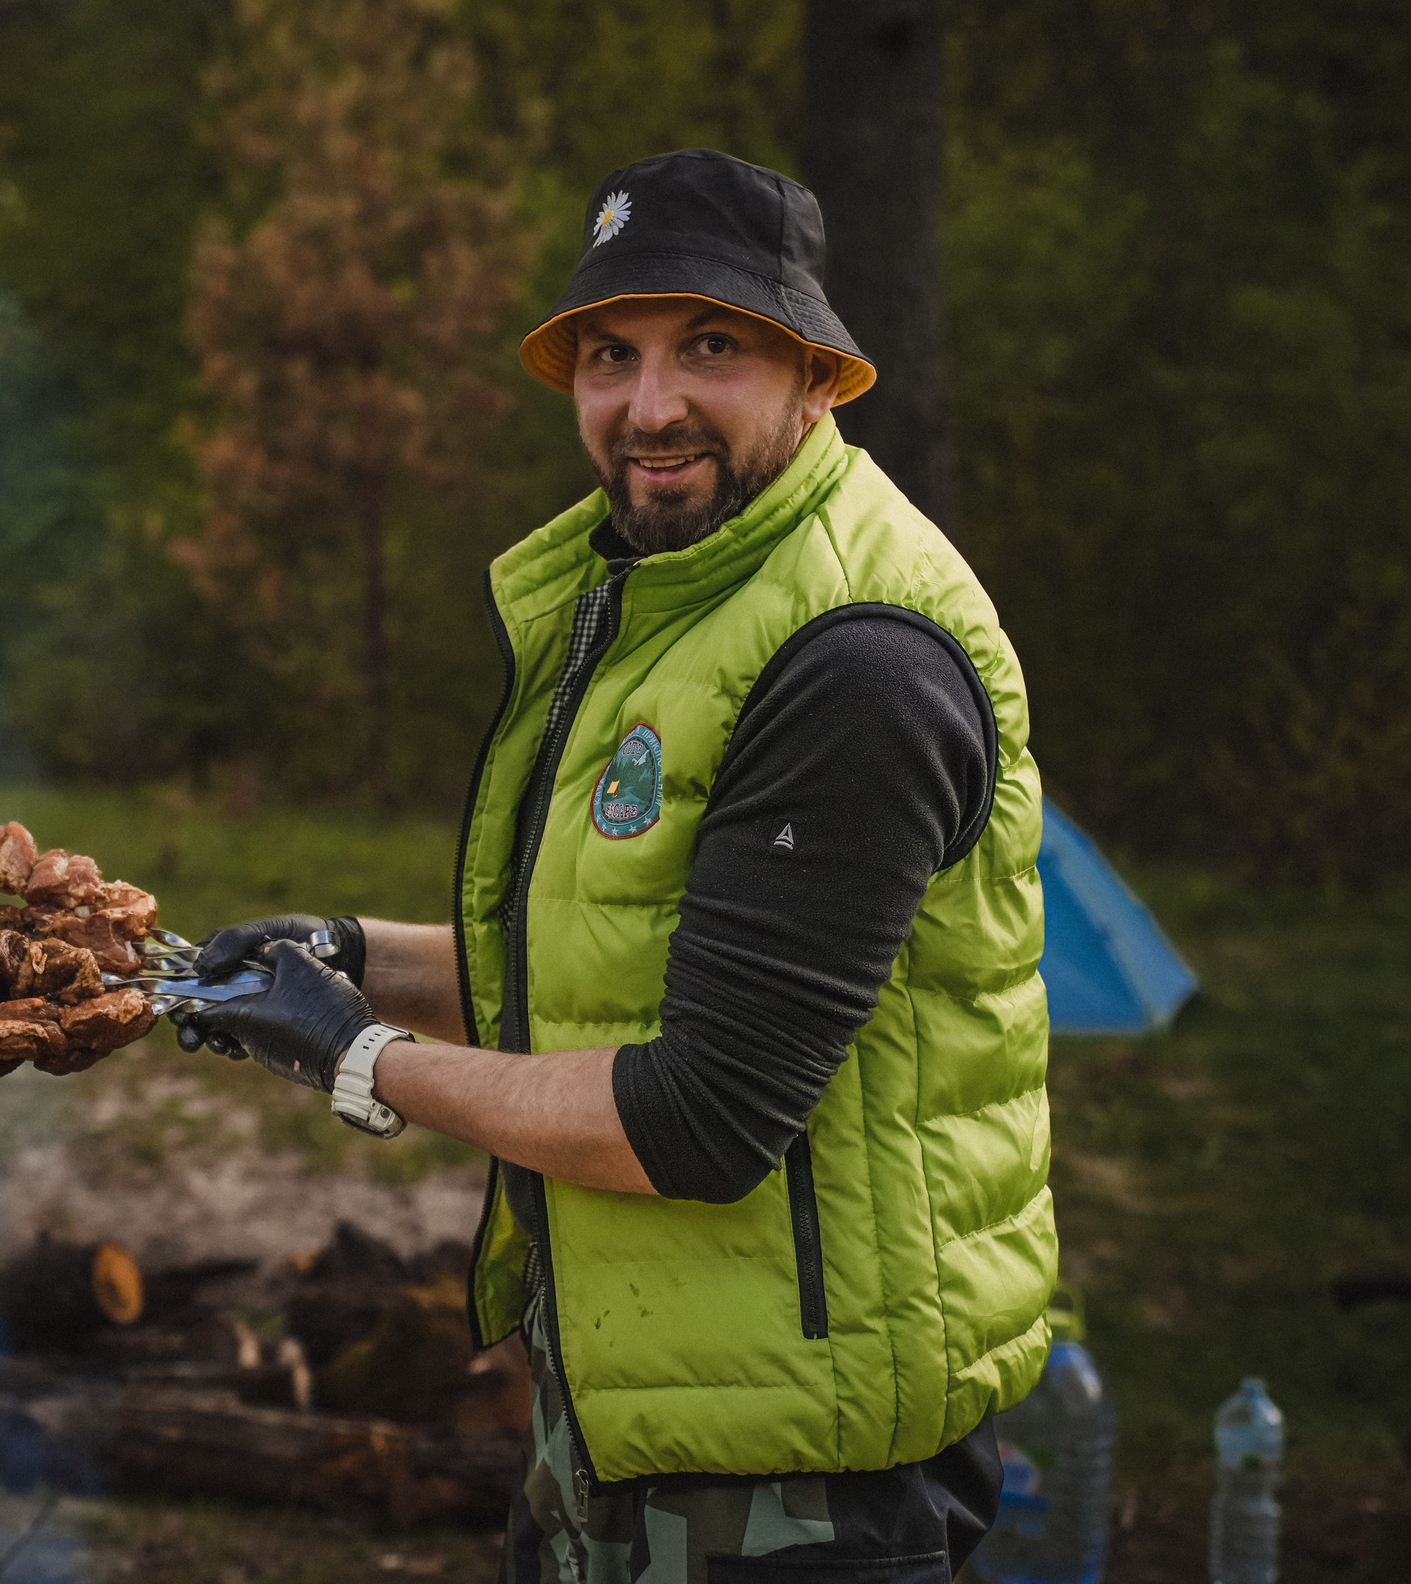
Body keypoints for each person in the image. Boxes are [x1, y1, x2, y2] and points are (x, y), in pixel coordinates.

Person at [181, 149, 1056, 1584]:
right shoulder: (660, 592)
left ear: (820, 375)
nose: (650, 406)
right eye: (610, 355)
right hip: (628, 1430)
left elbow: (700, 1114)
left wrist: (361, 1057)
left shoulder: (857, 659)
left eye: (710, 346)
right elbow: (625, 957)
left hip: (800, 1491)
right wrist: (357, 955)